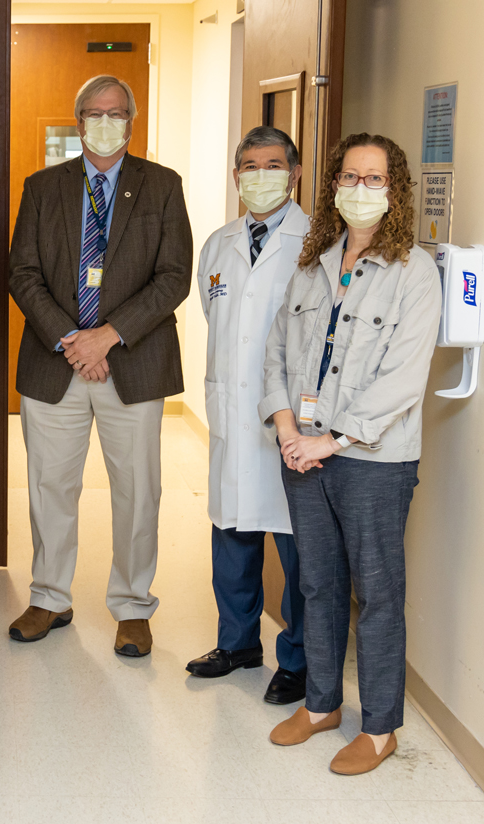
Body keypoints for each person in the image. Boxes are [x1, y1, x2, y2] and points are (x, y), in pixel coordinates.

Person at [261, 134, 440, 775]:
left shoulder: (414, 273)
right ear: (332, 184)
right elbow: (278, 352)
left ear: (394, 192)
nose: (359, 190)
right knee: (317, 582)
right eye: (349, 177)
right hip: (302, 451)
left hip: (372, 460)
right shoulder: (314, 263)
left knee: (378, 591)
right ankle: (321, 704)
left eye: (375, 179)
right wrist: (287, 427)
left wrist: (328, 440)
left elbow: (401, 380)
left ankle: (383, 726)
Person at [8, 75, 191, 655]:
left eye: (116, 112)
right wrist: (72, 339)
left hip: (132, 365)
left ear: (131, 122)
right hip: (54, 363)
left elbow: (173, 277)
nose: (105, 121)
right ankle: (48, 598)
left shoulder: (161, 186)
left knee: (137, 491)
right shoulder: (42, 187)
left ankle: (133, 606)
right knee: (49, 487)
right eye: (94, 112)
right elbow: (23, 273)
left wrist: (107, 337)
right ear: (79, 119)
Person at [186, 126, 309, 705]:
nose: (260, 175)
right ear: (237, 176)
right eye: (250, 166)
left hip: (291, 419)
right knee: (232, 532)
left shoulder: (317, 244)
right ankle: (237, 644)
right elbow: (221, 330)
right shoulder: (218, 243)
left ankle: (299, 660)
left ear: (295, 174)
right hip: (233, 414)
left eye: (273, 165)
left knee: (298, 550)